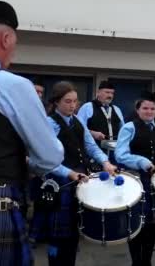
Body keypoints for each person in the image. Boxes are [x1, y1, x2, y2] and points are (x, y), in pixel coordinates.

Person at [0, 0, 66, 266]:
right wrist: (31, 166)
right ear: (6, 39)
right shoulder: (8, 84)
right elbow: (50, 155)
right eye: (15, 44)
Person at [34, 81, 117, 266]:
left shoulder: (78, 120)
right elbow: (44, 159)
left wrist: (105, 162)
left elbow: (90, 146)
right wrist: (69, 173)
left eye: (75, 101)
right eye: (67, 101)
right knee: (57, 237)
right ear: (56, 102)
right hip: (58, 185)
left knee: (72, 234)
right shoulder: (49, 124)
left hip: (79, 182)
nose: (72, 105)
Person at [115, 91, 155, 265]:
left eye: (152, 108)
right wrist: (141, 161)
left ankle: (147, 260)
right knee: (137, 220)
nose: (149, 112)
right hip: (136, 179)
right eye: (145, 108)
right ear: (138, 109)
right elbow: (120, 155)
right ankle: (136, 261)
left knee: (153, 220)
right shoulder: (129, 127)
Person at [77, 81, 124, 147]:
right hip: (92, 150)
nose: (110, 96)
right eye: (107, 92)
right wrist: (92, 133)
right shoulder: (87, 107)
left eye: (112, 93)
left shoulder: (117, 109)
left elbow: (123, 130)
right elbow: (78, 128)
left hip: (114, 151)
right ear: (98, 92)